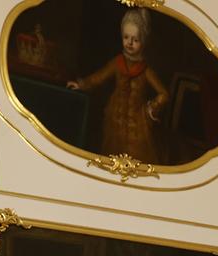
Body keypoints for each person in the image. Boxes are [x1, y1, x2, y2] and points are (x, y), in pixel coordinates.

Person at [67, 8, 168, 163]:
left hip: (137, 123)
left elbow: (164, 94)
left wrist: (151, 109)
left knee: (139, 158)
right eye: (126, 37)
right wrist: (82, 84)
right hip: (115, 118)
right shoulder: (117, 62)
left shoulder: (146, 70)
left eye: (135, 39)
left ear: (143, 41)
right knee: (112, 155)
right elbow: (99, 77)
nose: (130, 43)